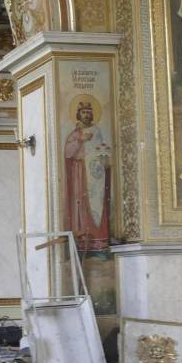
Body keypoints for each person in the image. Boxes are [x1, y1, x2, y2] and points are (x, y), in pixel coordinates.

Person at [63, 100, 111, 251]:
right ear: (78, 115)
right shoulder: (75, 134)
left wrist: (102, 158)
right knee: (80, 203)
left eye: (89, 112)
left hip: (94, 175)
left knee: (95, 203)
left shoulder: (97, 131)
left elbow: (101, 150)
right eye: (83, 112)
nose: (86, 115)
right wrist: (80, 140)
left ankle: (97, 242)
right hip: (79, 172)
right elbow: (68, 153)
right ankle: (81, 241)